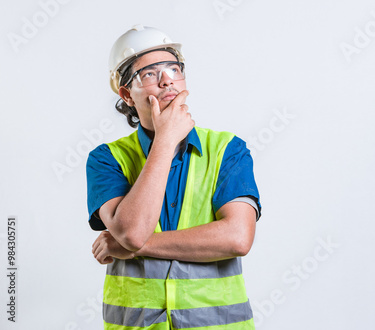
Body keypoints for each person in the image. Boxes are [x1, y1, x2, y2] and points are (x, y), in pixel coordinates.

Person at [86, 24, 261, 330]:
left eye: (173, 68)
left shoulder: (227, 150)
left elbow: (237, 238)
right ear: (127, 94)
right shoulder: (106, 159)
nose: (167, 79)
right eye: (150, 73)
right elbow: (131, 230)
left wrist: (129, 245)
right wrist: (165, 141)